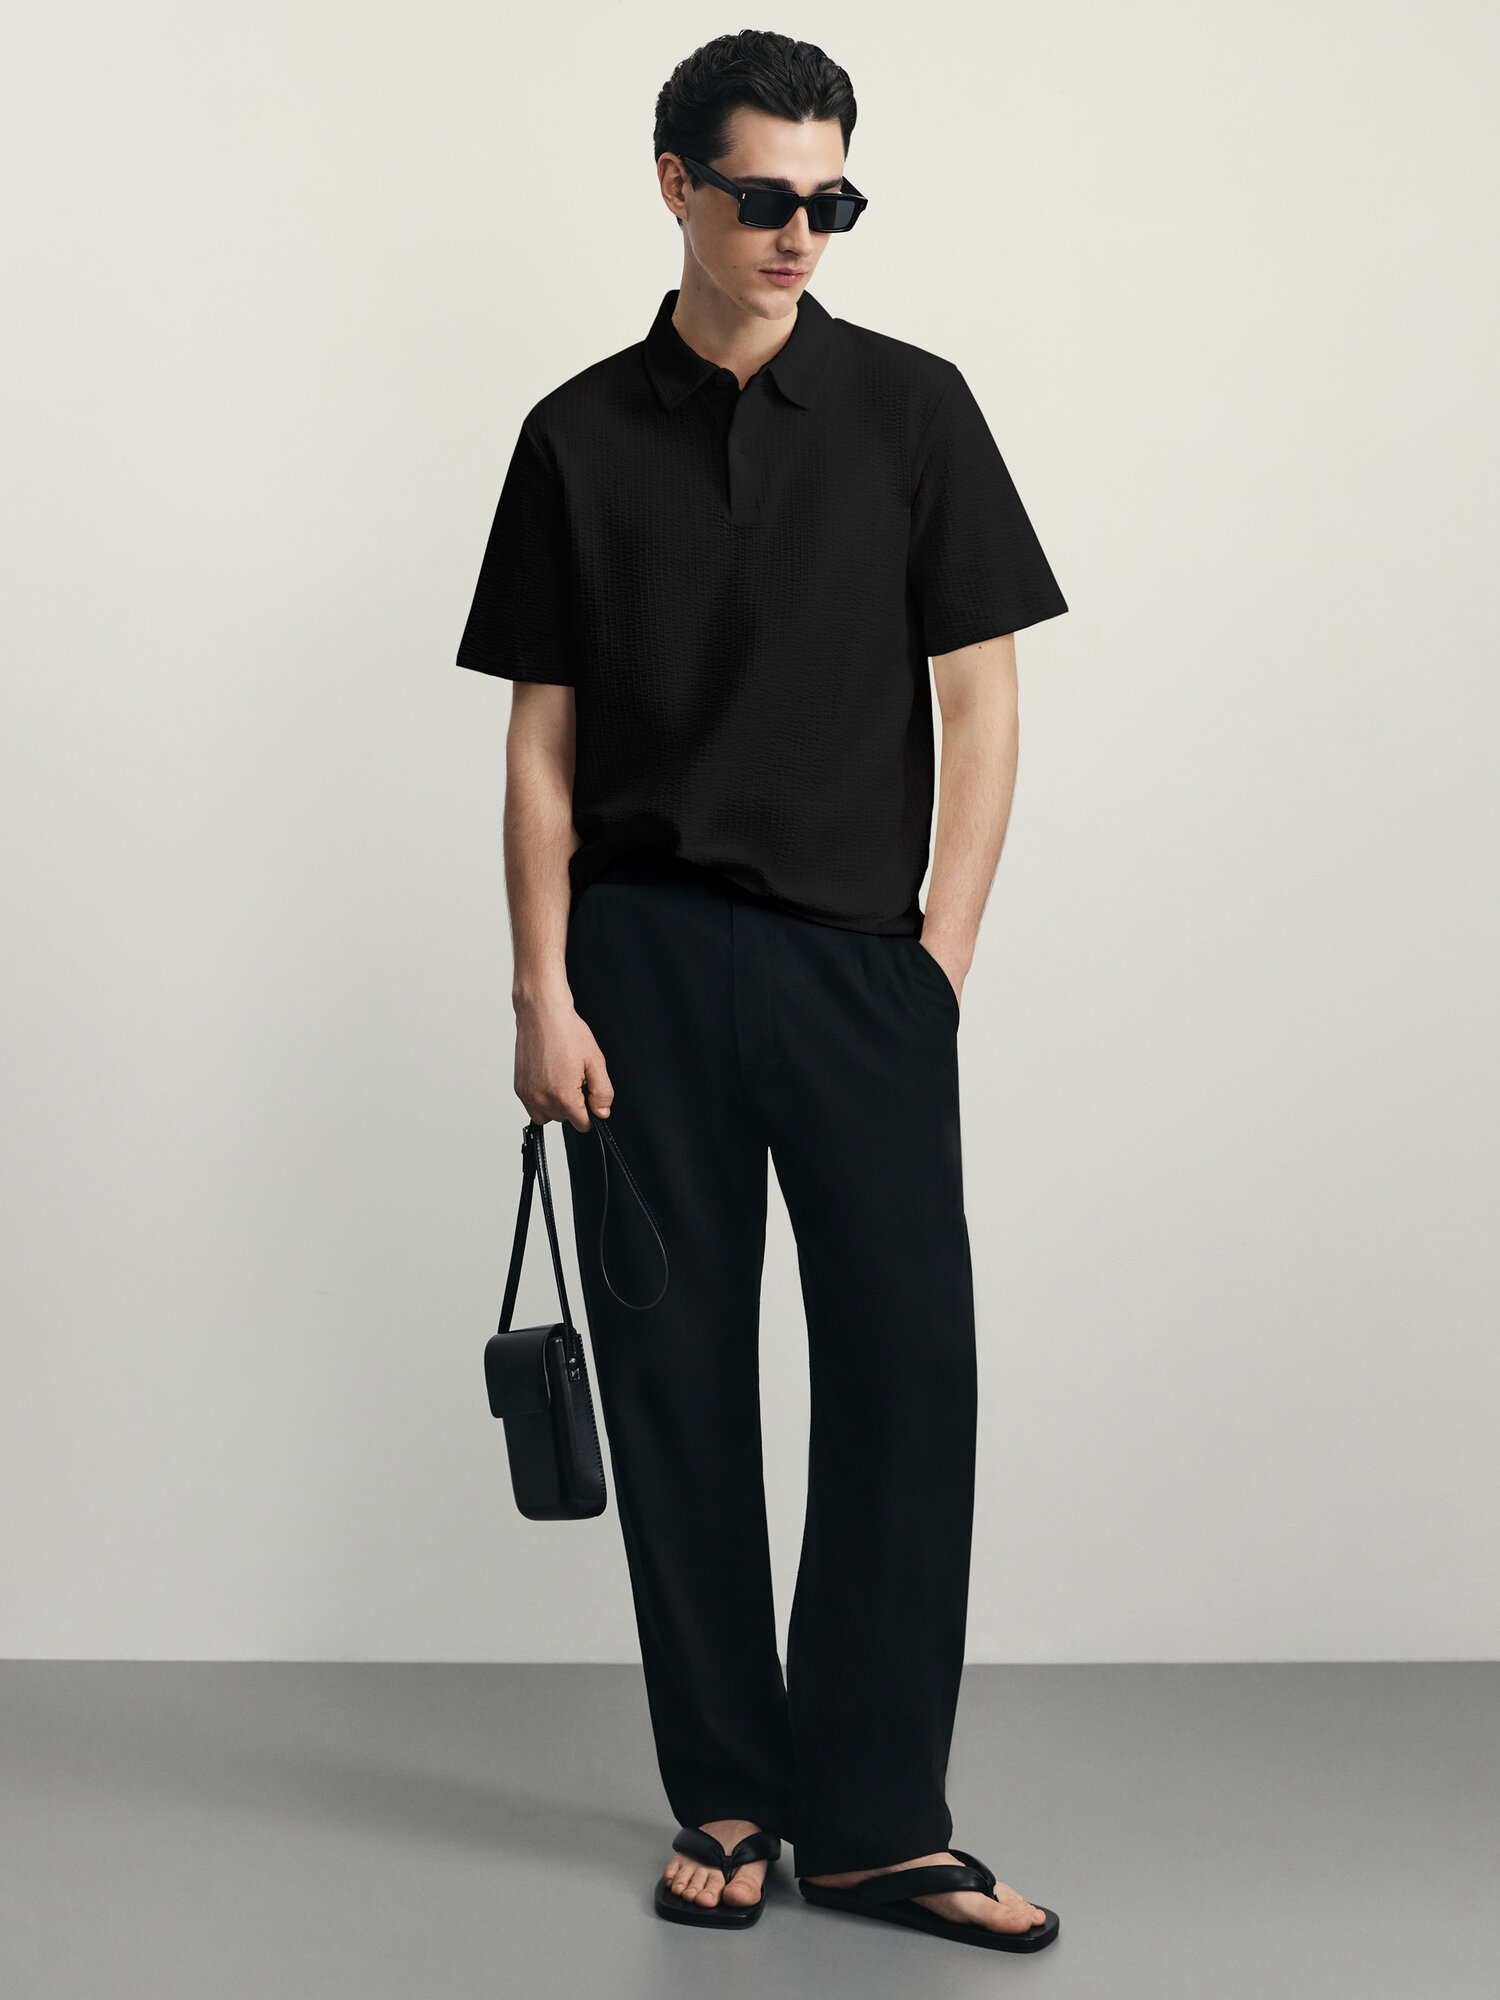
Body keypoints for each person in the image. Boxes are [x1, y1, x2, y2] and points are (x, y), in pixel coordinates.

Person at [456, 29, 1067, 1955]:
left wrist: (938, 960)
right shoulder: (574, 435)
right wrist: (542, 988)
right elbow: (542, 742)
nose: (803, 231)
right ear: (677, 186)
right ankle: (726, 1792)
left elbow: (984, 704)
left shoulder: (914, 410)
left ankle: (878, 1823)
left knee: (908, 1377)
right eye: (767, 196)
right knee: (678, 1385)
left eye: (834, 198)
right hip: (638, 969)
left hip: (860, 970)